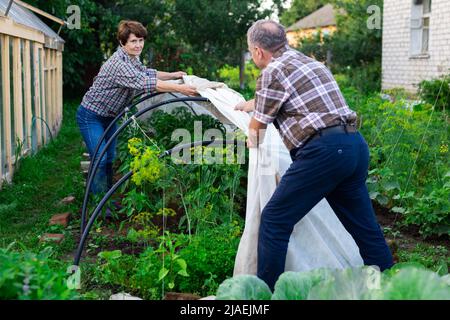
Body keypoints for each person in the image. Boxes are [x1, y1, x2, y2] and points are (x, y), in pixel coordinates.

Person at [236, 20, 393, 290]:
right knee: (365, 229)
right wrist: (247, 104)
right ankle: (394, 288)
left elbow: (258, 127)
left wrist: (248, 144)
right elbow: (281, 97)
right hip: (353, 146)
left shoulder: (272, 71)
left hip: (324, 153)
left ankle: (265, 296)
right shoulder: (309, 63)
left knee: (274, 218)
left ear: (259, 51)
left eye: (251, 52)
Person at [76, 20, 197, 207]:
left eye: (140, 40)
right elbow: (146, 83)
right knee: (100, 158)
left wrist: (173, 75)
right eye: (133, 41)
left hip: (110, 116)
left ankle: (104, 201)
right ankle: (97, 206)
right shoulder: (118, 63)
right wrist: (180, 88)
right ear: (122, 43)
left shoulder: (132, 59)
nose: (138, 45)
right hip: (91, 115)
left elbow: (147, 73)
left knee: (109, 158)